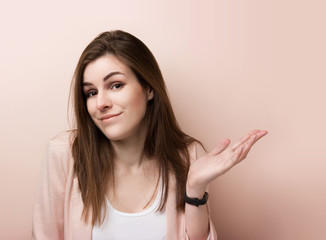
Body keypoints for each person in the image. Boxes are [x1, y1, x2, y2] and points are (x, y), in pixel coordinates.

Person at [32, 30, 268, 240]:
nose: (100, 103)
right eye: (91, 92)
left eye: (115, 85)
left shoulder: (188, 156)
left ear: (149, 88)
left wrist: (195, 188)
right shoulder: (64, 154)